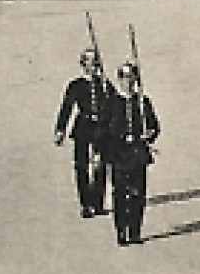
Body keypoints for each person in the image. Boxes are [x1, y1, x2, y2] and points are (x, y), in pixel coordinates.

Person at [99, 61, 160, 246]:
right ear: (119, 80)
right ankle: (121, 232)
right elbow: (102, 131)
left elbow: (154, 126)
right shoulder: (110, 103)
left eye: (131, 77)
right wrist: (104, 152)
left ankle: (135, 232)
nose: (128, 81)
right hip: (118, 155)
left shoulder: (143, 102)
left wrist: (150, 134)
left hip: (137, 153)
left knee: (138, 195)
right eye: (124, 77)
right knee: (120, 194)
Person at [54, 49, 111, 218]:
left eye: (95, 62)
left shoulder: (105, 85)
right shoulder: (76, 85)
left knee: (100, 165)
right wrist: (60, 130)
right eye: (89, 62)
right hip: (83, 128)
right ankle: (86, 204)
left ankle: (98, 202)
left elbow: (115, 106)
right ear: (83, 64)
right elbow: (66, 107)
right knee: (82, 166)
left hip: (101, 128)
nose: (92, 66)